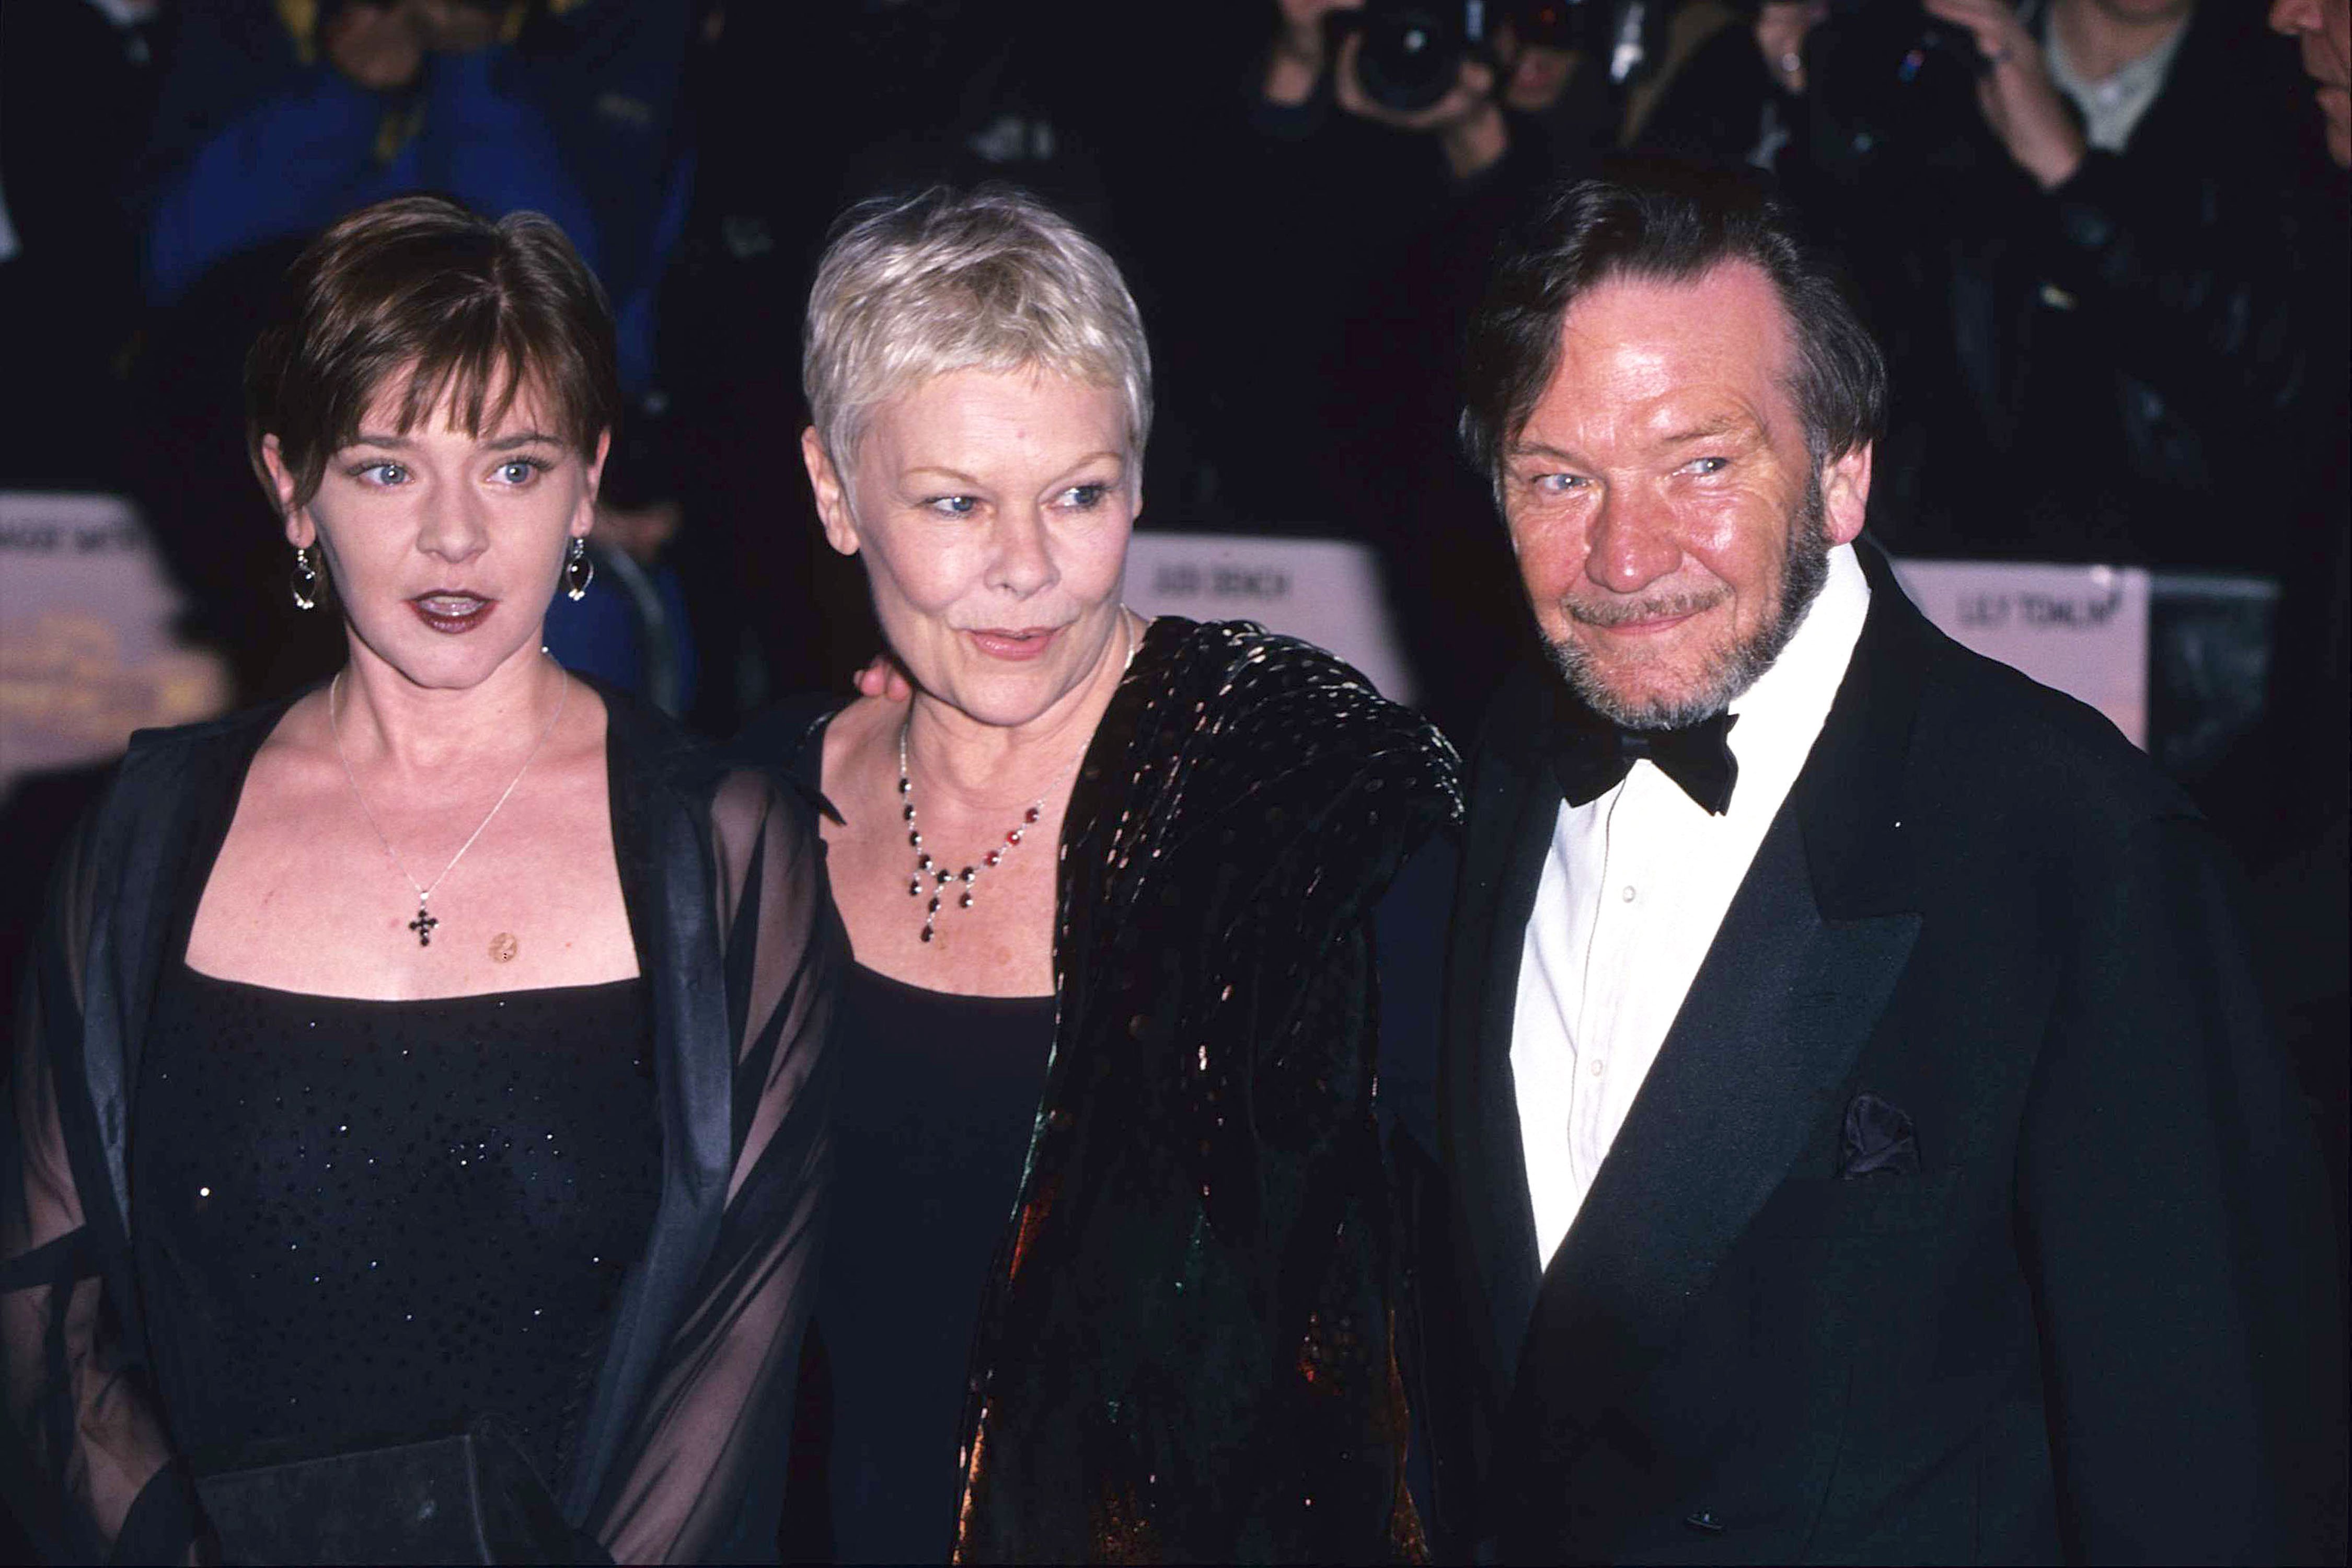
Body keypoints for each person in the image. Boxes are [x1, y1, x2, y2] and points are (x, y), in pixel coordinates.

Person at [1424, 169, 2342, 1562]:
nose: (1622, 555)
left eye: (1700, 464)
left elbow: (2203, 1472)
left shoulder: (2076, 849)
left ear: (1843, 472)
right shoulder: (1498, 759)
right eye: (1558, 478)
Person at [1, 194, 838, 1564]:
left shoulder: (730, 855)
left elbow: (734, 1356)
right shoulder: (141, 839)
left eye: (512, 466)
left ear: (588, 480)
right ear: (290, 486)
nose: (455, 535)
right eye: (388, 468)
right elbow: (43, 1304)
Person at [739, 184, 1458, 1563]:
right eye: (954, 503)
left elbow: (1447, 1338)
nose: (1025, 571)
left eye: (1079, 495)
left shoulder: (1303, 807)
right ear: (833, 490)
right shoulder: (750, 805)